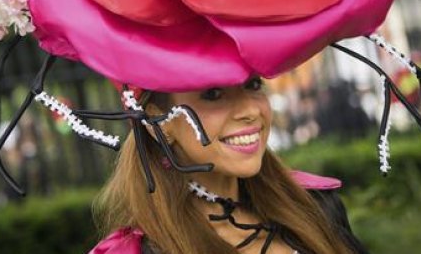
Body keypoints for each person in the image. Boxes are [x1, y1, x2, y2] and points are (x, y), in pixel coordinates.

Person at [92, 80, 367, 253]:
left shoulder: (316, 205)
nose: (249, 110)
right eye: (213, 93)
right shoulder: (146, 250)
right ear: (159, 123)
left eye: (253, 85)